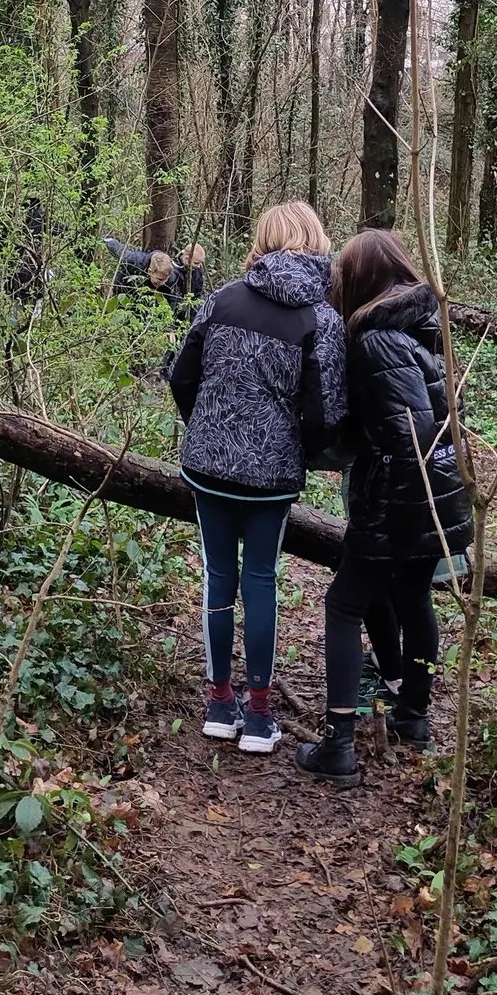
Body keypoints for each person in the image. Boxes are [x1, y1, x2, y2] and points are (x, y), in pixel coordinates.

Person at [296, 231, 473, 788]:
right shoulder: (423, 330)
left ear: (363, 280)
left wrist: (382, 511)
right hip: (441, 491)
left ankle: (339, 743)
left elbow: (406, 431)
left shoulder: (375, 340)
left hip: (405, 495)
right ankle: (414, 716)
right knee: (415, 597)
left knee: (344, 605)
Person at [168, 201, 345, 754]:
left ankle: (221, 702)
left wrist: (207, 427)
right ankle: (261, 715)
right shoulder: (322, 319)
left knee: (218, 577)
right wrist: (299, 450)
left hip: (208, 465)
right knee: (261, 580)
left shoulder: (220, 299)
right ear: (315, 241)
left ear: (264, 240)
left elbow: (182, 376)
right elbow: (326, 410)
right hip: (271, 475)